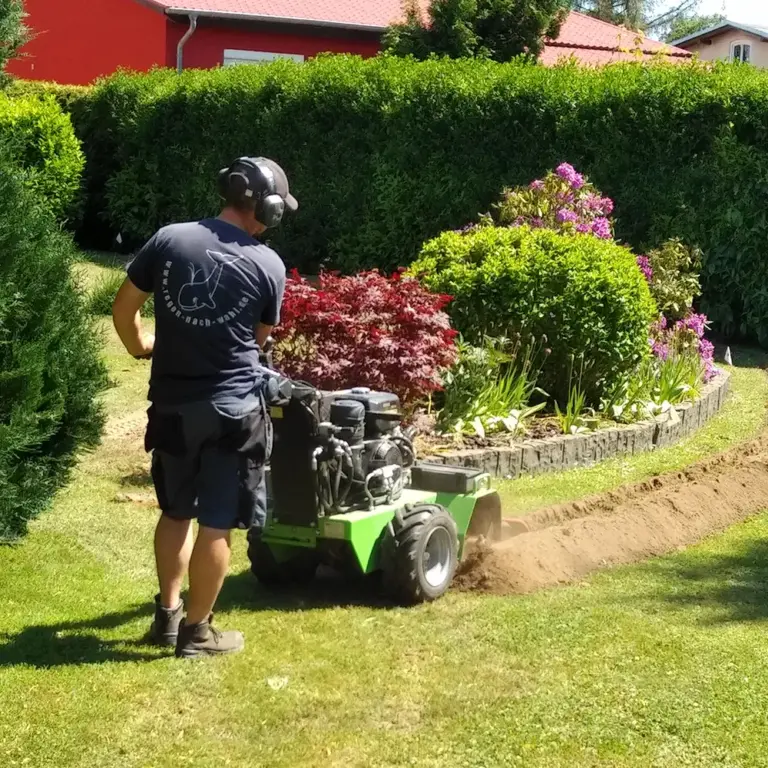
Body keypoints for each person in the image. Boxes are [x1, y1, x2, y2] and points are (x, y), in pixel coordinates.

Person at [112, 157, 296, 658]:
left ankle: (167, 617)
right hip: (233, 411)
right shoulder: (269, 265)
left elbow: (123, 307)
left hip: (171, 406)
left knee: (175, 512)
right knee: (216, 521)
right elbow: (258, 339)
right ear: (270, 208)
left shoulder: (171, 238)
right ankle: (197, 634)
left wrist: (139, 345)